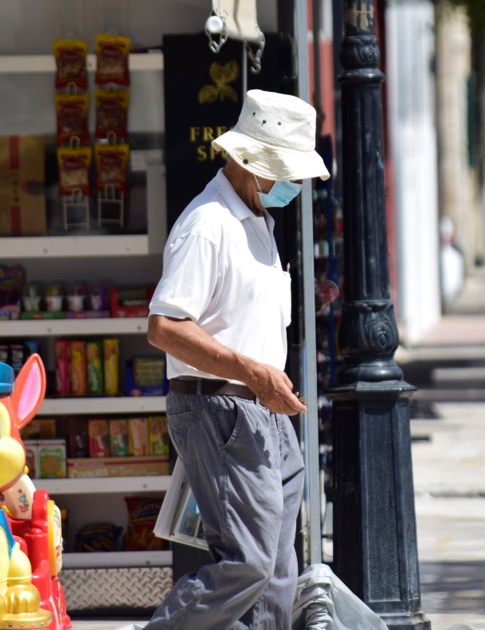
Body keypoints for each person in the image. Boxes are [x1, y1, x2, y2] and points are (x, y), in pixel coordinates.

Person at [142, 89, 328, 629]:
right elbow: (165, 326)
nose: (293, 186)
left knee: (275, 570)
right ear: (251, 163)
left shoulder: (254, 220)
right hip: (224, 411)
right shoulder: (208, 225)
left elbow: (237, 314)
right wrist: (251, 373)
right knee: (247, 564)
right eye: (286, 172)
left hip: (262, 413)